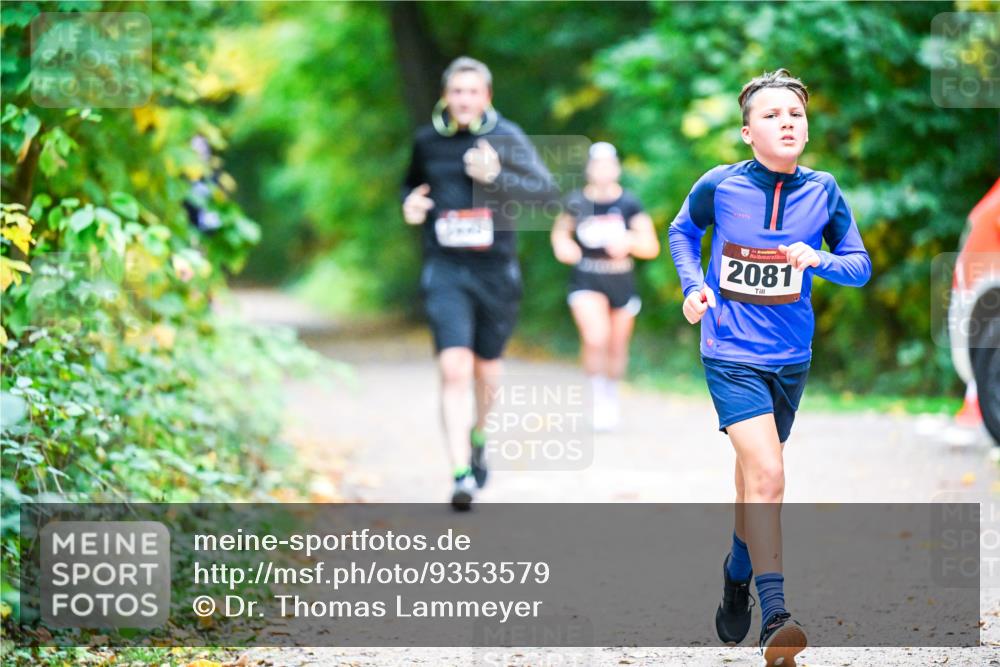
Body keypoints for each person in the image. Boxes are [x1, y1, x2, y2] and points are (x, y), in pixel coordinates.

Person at [667, 69, 871, 666]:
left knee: (755, 476)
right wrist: (693, 287)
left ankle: (736, 570)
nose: (787, 122)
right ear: (746, 131)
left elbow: (859, 266)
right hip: (729, 351)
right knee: (771, 472)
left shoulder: (825, 191)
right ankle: (776, 614)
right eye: (772, 115)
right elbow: (683, 231)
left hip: (791, 357)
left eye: (796, 115)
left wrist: (821, 258)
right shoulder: (720, 185)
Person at [401, 56, 557, 511]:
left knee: (487, 371)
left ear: (486, 97)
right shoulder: (427, 141)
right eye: (457, 92)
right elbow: (409, 187)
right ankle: (459, 474)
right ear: (445, 97)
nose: (464, 100)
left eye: (473, 92)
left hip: (495, 270)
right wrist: (409, 204)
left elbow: (546, 195)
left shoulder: (505, 137)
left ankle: (478, 435)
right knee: (453, 368)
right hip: (445, 268)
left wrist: (496, 177)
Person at [550, 142, 659, 430]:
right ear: (588, 168)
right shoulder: (575, 201)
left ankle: (610, 395)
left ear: (616, 168)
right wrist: (566, 247)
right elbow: (560, 234)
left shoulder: (629, 203)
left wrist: (630, 243)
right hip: (587, 278)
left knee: (616, 346)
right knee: (596, 337)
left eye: (608, 164)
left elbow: (651, 246)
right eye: (596, 165)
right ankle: (597, 397)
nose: (602, 171)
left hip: (621, 280)